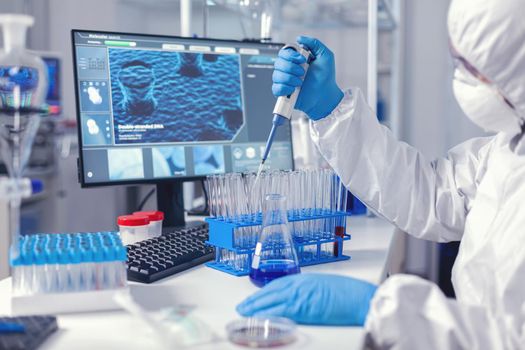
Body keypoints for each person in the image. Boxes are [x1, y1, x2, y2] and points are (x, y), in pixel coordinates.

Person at [236, 0, 525, 348]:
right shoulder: (511, 144)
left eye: (470, 68)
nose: (458, 78)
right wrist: (329, 109)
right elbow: (432, 195)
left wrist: (384, 308)